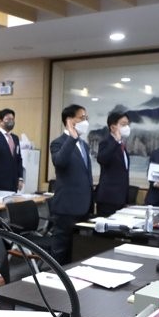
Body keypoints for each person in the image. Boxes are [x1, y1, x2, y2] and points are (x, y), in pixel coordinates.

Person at [49, 104, 93, 264]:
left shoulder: (84, 145)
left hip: (84, 206)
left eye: (86, 118)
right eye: (82, 118)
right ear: (69, 120)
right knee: (61, 251)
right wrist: (72, 137)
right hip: (66, 207)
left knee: (79, 250)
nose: (85, 121)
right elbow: (60, 162)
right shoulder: (58, 143)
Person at [94, 111, 131, 216]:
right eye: (123, 124)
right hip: (108, 198)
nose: (127, 127)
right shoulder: (106, 142)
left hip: (121, 198)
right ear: (113, 127)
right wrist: (116, 142)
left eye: (128, 124)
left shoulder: (121, 145)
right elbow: (102, 159)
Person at [0, 108, 23, 192]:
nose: (11, 121)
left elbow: (18, 159)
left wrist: (20, 178)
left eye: (12, 119)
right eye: (8, 119)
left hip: (14, 182)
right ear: (0, 121)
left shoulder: (15, 138)